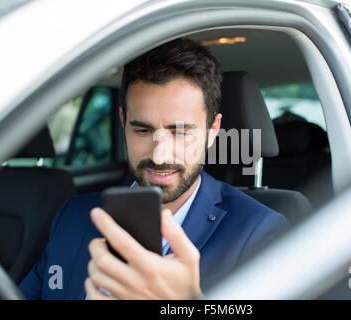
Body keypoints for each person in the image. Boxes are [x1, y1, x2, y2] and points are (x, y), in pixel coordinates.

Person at [19, 38, 289, 300]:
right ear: (123, 122)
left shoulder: (258, 231)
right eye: (142, 129)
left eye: (181, 131)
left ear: (212, 131)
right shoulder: (74, 216)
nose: (160, 156)